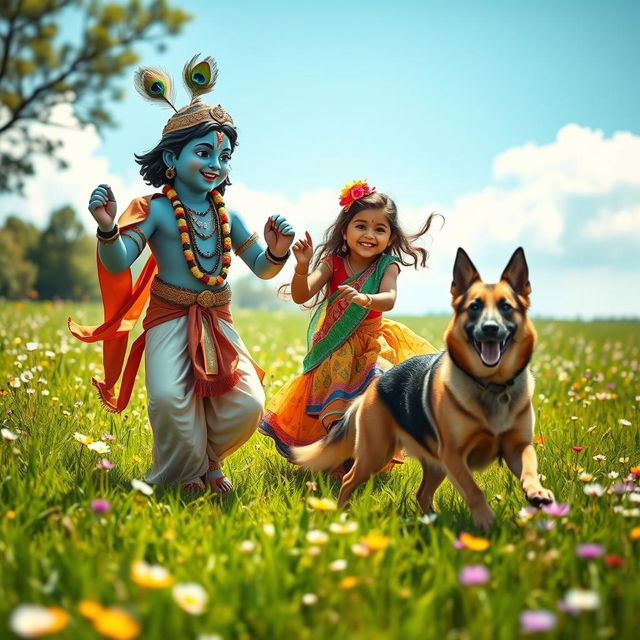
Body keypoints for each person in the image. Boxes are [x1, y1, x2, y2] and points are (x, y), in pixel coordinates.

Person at [69, 56, 294, 494]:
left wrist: (278, 251)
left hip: (219, 321)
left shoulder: (229, 215)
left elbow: (263, 269)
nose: (215, 164)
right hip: (168, 320)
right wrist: (107, 227)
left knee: (247, 402)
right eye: (204, 152)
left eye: (224, 156)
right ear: (172, 157)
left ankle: (209, 460)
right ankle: (185, 477)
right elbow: (117, 263)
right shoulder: (154, 210)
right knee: (173, 400)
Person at [258, 180, 438, 472]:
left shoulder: (386, 265)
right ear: (345, 230)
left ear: (390, 237)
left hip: (371, 344)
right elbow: (302, 294)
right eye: (361, 226)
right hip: (334, 349)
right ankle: (340, 463)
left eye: (380, 229)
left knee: (377, 396)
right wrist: (302, 266)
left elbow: (389, 298)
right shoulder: (332, 263)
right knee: (336, 408)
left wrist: (365, 298)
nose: (369, 234)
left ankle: (366, 455)